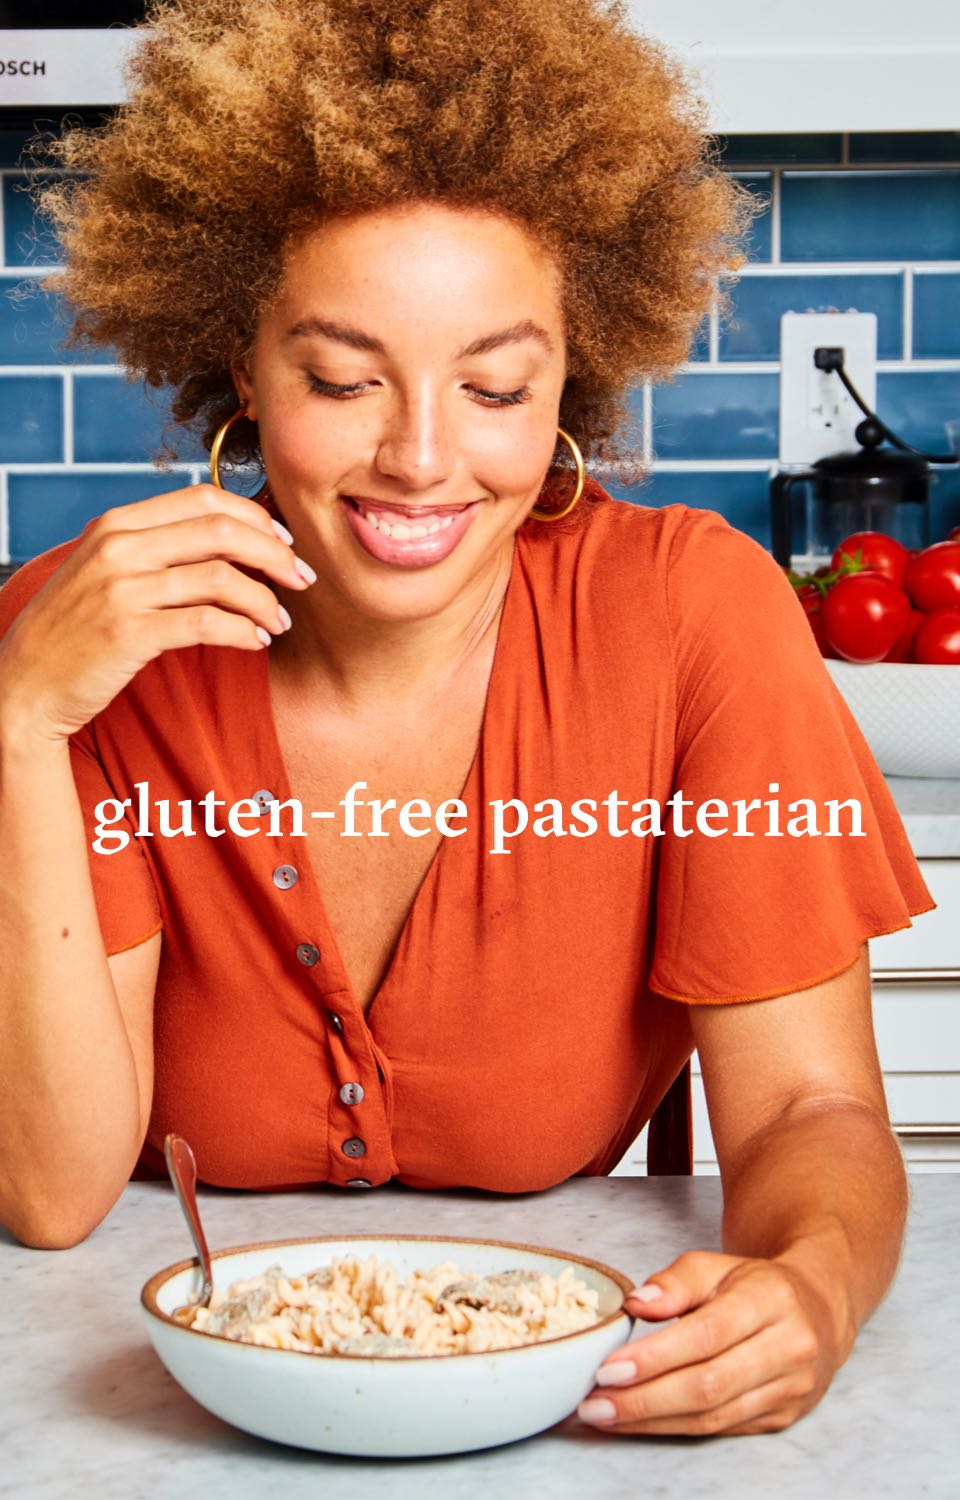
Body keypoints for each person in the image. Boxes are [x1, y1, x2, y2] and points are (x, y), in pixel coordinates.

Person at [0, 0, 935, 1439]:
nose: (424, 459)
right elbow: (55, 1196)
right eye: (340, 378)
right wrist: (15, 726)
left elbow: (809, 1117)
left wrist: (814, 1285)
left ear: (573, 373)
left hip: (587, 1419)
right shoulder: (92, 643)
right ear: (241, 367)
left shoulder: (694, 616)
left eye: (496, 383)